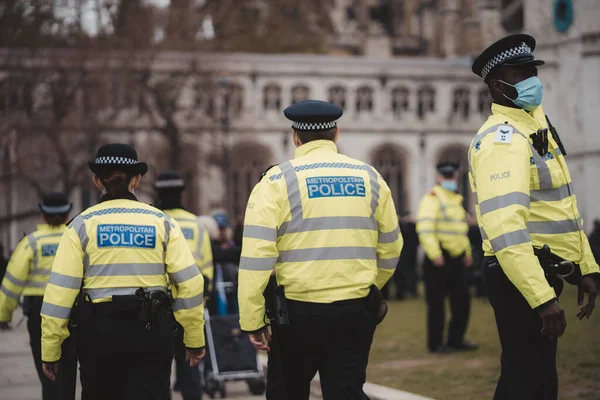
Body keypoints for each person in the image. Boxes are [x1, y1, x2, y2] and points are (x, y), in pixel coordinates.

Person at [238, 100, 403, 399]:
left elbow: (256, 258)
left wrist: (252, 319)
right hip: (355, 308)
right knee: (347, 392)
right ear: (336, 133)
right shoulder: (370, 176)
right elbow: (392, 246)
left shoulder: (276, 181)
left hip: (298, 314)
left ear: (294, 136)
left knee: (287, 393)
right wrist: (367, 285)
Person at [469, 34, 599, 399]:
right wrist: (541, 298)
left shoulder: (535, 130)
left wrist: (584, 264)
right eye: (520, 73)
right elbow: (505, 228)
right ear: (498, 86)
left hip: (541, 270)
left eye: (532, 71)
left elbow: (561, 204)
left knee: (532, 381)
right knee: (528, 382)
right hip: (519, 278)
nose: (531, 80)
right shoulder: (502, 140)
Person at [40, 144, 206, 400]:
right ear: (137, 180)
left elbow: (59, 295)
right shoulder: (162, 222)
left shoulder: (80, 226)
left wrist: (50, 350)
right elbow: (191, 284)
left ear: (97, 181)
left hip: (99, 336)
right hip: (152, 334)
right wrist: (193, 338)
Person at [0, 192, 75, 400]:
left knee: (47, 370)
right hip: (73, 310)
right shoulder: (75, 238)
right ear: (68, 213)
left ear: (43, 214)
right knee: (69, 369)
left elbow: (12, 282)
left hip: (39, 312)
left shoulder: (31, 243)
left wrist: (4, 314)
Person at [155, 170, 213, 400]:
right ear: (181, 193)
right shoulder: (196, 224)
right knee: (190, 372)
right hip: (190, 308)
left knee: (158, 375)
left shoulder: (153, 221)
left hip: (157, 310)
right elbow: (207, 267)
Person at [416, 162, 477, 353]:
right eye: (446, 177)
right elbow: (425, 229)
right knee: (436, 305)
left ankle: (455, 339)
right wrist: (435, 254)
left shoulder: (456, 200)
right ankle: (436, 344)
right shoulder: (432, 198)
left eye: (452, 177)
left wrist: (467, 252)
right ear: (439, 178)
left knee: (462, 301)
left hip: (457, 258)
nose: (450, 180)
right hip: (439, 258)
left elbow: (460, 230)